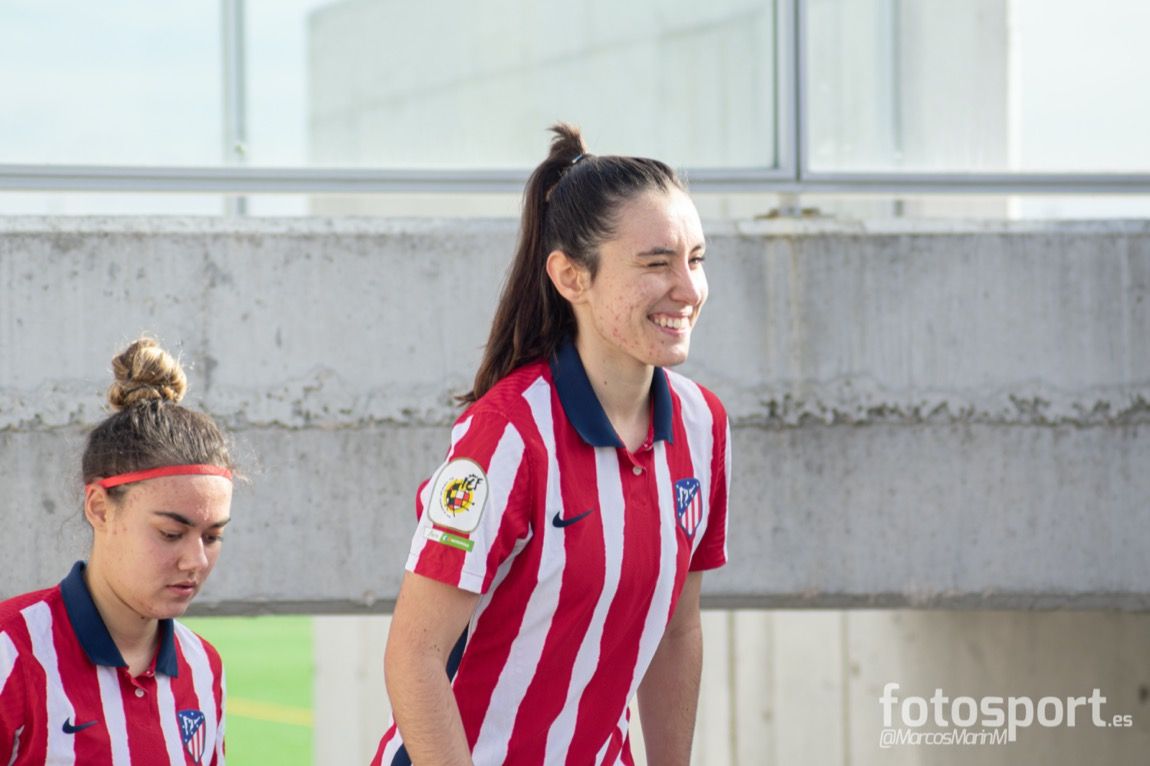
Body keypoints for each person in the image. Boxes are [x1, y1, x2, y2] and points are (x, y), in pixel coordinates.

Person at [373, 124, 731, 765]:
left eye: (696, 259)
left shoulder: (703, 425)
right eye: (656, 264)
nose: (688, 289)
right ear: (571, 277)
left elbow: (676, 631)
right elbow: (414, 654)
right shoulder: (506, 435)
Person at [0, 338, 235, 765]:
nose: (196, 561)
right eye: (170, 533)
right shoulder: (10, 651)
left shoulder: (203, 666)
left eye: (212, 536)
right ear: (99, 508)